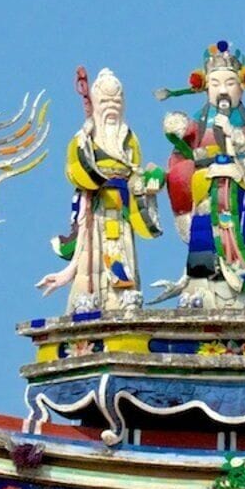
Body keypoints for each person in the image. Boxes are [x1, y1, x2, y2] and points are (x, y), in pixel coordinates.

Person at [162, 44, 245, 305]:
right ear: (206, 87)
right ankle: (202, 283)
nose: (222, 90)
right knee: (205, 236)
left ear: (241, 87)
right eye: (215, 83)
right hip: (207, 191)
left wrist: (240, 143)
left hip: (242, 189)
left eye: (230, 83)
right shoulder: (196, 124)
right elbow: (179, 160)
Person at [42, 69, 165, 318]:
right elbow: (75, 168)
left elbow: (137, 171)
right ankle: (88, 298)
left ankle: (125, 296)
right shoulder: (84, 138)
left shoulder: (129, 138)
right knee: (92, 257)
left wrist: (149, 182)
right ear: (95, 103)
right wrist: (92, 167)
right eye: (105, 102)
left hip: (121, 209)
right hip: (96, 210)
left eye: (116, 102)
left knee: (123, 252)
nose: (111, 107)